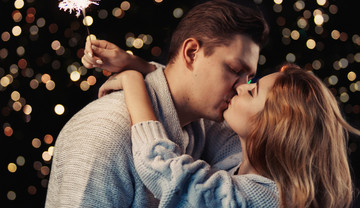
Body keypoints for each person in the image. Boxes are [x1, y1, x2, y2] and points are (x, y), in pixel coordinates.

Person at [45, 0, 269, 207]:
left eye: (249, 79)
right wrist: (141, 70)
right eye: (235, 70)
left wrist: (138, 73)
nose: (241, 87)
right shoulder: (106, 132)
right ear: (191, 53)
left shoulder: (205, 126)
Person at [99, 64, 360, 208]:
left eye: (253, 91)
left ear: (274, 127)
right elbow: (191, 99)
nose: (241, 86)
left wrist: (134, 81)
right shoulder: (238, 156)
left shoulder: (257, 201)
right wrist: (144, 67)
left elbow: (161, 165)